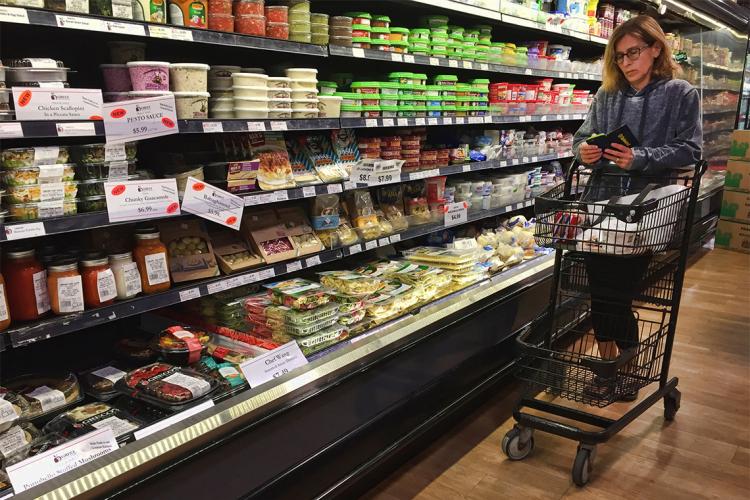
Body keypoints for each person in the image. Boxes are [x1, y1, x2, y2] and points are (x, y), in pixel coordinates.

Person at [571, 15, 702, 401]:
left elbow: (691, 149)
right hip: (601, 206)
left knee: (619, 292)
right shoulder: (606, 95)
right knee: (600, 291)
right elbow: (579, 139)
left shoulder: (680, 93)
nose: (627, 62)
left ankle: (618, 366)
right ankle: (610, 369)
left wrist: (639, 158)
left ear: (656, 49)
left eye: (634, 52)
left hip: (648, 211)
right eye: (619, 56)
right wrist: (585, 151)